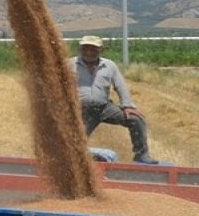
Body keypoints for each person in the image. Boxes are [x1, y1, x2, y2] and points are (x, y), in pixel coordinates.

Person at [68, 35, 160, 164]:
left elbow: (120, 85)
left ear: (101, 50)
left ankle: (141, 155)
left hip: (104, 108)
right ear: (80, 49)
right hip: (81, 110)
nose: (89, 52)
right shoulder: (70, 64)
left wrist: (127, 105)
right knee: (76, 140)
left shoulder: (109, 65)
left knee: (136, 119)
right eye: (86, 48)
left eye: (93, 48)